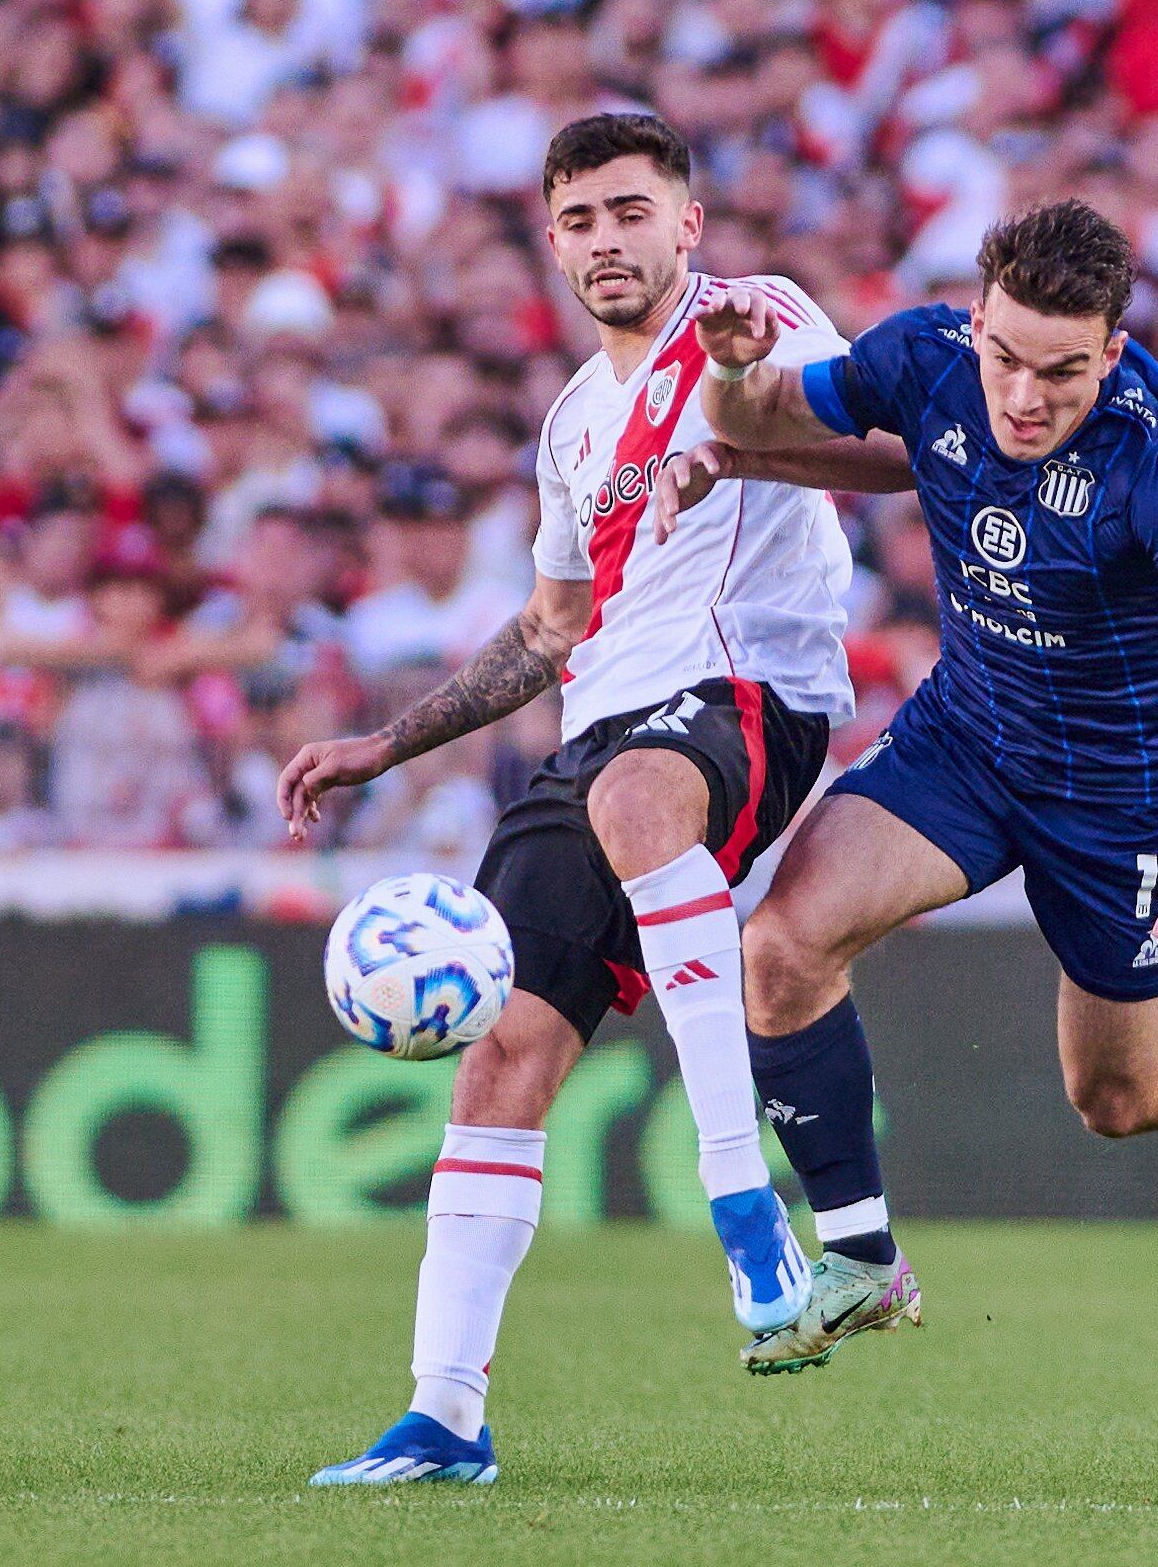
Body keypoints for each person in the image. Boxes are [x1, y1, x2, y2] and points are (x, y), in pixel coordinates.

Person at [283, 112, 912, 1487]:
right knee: (504, 1049)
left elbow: (900, 457)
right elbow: (552, 625)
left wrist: (751, 416)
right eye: (579, 220)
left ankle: (743, 1204)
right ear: (553, 242)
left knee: (639, 797)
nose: (605, 240)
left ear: (685, 223)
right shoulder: (574, 420)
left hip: (750, 699)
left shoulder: (760, 320)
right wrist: (386, 743)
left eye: (631, 211)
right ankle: (444, 1413)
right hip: (601, 729)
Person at [696, 199, 1158, 1374]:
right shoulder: (925, 356)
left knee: (1118, 1096)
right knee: (784, 944)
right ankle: (860, 1257)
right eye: (1006, 356)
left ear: (1110, 351)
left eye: (1062, 370)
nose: (1022, 396)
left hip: (1130, 796)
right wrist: (737, 390)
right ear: (977, 320)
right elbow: (787, 419)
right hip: (972, 737)